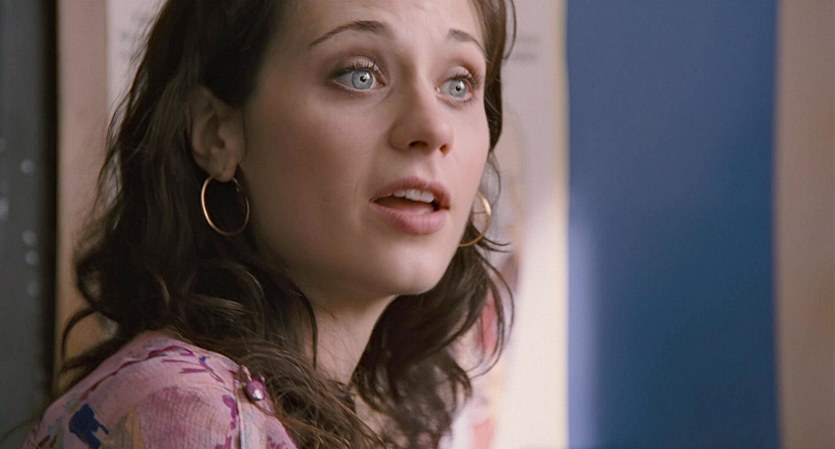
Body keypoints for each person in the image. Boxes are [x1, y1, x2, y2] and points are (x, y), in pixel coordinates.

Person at [24, 0, 513, 447]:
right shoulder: (189, 413)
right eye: (360, 75)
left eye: (459, 84)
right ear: (217, 133)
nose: (433, 128)